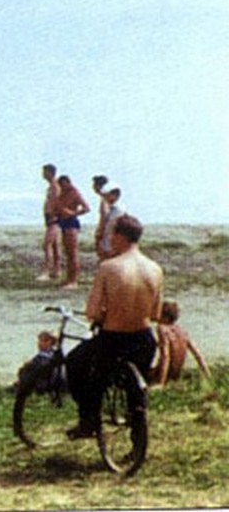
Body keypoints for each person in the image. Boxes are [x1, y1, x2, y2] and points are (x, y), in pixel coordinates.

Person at [63, 215, 162, 440]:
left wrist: (106, 314)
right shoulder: (155, 269)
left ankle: (88, 420)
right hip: (144, 339)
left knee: (76, 364)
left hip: (114, 339)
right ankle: (137, 439)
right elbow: (156, 313)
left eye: (112, 234)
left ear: (119, 236)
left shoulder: (109, 267)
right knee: (134, 391)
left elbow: (93, 312)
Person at [151, 300, 211, 388]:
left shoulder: (162, 329)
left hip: (165, 374)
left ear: (163, 316)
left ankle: (160, 381)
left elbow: (166, 356)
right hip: (176, 374)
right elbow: (198, 355)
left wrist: (161, 382)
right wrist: (208, 375)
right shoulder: (182, 331)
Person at [56, 175, 91, 289]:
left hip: (71, 222)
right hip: (63, 222)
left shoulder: (74, 193)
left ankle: (74, 281)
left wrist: (73, 213)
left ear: (67, 183)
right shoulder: (62, 193)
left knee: (73, 253)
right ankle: (69, 278)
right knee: (68, 253)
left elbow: (86, 208)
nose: (61, 187)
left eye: (62, 184)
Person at [37, 164, 62, 281]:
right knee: (55, 245)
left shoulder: (55, 187)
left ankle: (46, 271)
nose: (43, 174)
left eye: (45, 172)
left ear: (50, 173)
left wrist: (53, 216)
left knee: (47, 244)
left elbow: (57, 202)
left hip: (54, 218)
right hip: (50, 218)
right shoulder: (52, 186)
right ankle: (56, 270)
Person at [93, 181, 125, 261]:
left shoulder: (118, 210)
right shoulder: (111, 208)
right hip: (107, 241)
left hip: (113, 243)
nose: (106, 197)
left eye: (108, 195)